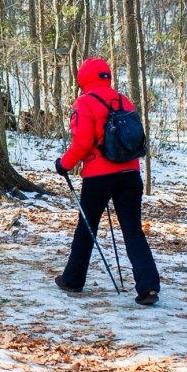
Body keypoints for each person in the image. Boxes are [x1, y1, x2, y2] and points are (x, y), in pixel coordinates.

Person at [53, 57, 160, 305]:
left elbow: (82, 143)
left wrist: (63, 165)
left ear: (83, 79)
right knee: (133, 230)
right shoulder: (124, 100)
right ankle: (148, 287)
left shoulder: (84, 103)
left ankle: (72, 280)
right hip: (130, 175)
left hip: (99, 176)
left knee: (86, 229)